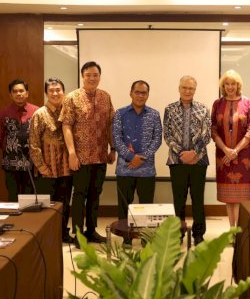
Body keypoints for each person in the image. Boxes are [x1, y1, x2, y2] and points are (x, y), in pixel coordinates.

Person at [61, 62, 115, 245]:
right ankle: (79, 234)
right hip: (80, 157)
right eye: (88, 75)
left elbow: (110, 125)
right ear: (82, 76)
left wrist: (112, 148)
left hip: (100, 156)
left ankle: (92, 231)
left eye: (95, 75)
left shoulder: (105, 97)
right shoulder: (72, 97)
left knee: (95, 195)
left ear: (99, 76)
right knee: (79, 195)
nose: (92, 78)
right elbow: (66, 125)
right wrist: (71, 153)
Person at [112, 80, 162, 244]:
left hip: (147, 171)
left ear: (148, 95)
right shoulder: (120, 114)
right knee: (124, 207)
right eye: (137, 92)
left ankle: (145, 240)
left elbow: (157, 140)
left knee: (146, 208)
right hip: (124, 170)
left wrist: (142, 158)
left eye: (144, 93)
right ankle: (126, 239)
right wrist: (131, 157)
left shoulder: (154, 114)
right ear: (131, 93)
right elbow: (116, 139)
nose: (140, 95)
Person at [164, 75, 211, 245]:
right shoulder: (169, 109)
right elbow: (167, 135)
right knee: (179, 199)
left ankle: (199, 234)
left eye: (191, 88)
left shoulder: (203, 109)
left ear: (195, 90)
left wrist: (194, 153)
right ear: (179, 88)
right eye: (184, 87)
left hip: (199, 161)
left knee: (198, 198)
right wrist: (182, 153)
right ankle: (179, 232)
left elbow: (207, 135)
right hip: (177, 161)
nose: (187, 91)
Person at [29, 78, 73, 242]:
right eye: (51, 90)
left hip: (67, 168)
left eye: (58, 90)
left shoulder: (68, 111)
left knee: (64, 203)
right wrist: (41, 166)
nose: (55, 93)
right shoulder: (39, 114)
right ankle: (47, 236)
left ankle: (63, 233)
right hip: (46, 169)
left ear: (64, 91)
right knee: (46, 206)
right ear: (46, 93)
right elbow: (33, 143)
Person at [211, 70, 250, 227]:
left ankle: (238, 231)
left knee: (239, 198)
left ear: (238, 85)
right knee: (228, 198)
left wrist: (235, 151)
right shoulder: (217, 104)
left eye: (233, 84)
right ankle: (231, 229)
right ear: (223, 86)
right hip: (223, 157)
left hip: (243, 157)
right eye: (227, 84)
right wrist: (226, 150)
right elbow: (213, 129)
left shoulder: (247, 103)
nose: (230, 87)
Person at [0, 79, 38, 201]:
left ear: (27, 93)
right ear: (11, 94)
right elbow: (0, 136)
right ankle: (14, 220)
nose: (18, 94)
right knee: (13, 196)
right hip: (10, 162)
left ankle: (27, 220)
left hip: (31, 163)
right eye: (15, 91)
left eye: (21, 91)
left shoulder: (36, 111)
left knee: (29, 198)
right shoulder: (4, 112)